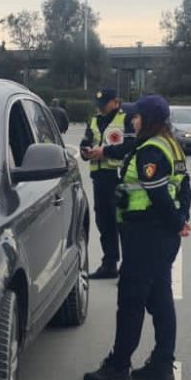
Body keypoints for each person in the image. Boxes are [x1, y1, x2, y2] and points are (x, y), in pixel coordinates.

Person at [83, 94, 191, 380]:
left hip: (147, 234)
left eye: (138, 116)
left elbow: (157, 195)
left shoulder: (151, 152)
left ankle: (118, 365)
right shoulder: (171, 145)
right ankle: (162, 363)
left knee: (130, 301)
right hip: (160, 236)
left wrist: (177, 222)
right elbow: (185, 189)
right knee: (159, 299)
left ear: (150, 120)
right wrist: (180, 221)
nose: (133, 120)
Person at [79, 88, 127, 279]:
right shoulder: (94, 120)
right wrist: (85, 151)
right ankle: (109, 264)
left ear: (115, 102)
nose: (100, 106)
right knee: (104, 222)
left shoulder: (125, 120)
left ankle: (129, 267)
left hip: (118, 178)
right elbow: (86, 140)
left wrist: (105, 152)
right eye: (99, 103)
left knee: (122, 222)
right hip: (99, 178)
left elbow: (129, 146)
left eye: (105, 103)